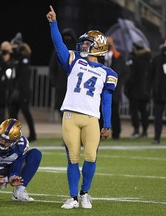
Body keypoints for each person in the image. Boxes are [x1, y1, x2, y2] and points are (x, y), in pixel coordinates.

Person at [46, 5, 117, 209]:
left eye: (88, 43)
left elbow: (106, 100)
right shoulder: (74, 60)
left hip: (91, 118)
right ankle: (72, 197)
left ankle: (85, 193)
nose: (83, 46)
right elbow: (59, 45)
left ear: (99, 46)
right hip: (70, 115)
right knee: (72, 157)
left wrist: (108, 124)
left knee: (91, 156)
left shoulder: (108, 72)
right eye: (84, 43)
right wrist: (53, 24)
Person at [8, 32, 37, 142]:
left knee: (26, 113)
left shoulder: (24, 58)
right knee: (12, 114)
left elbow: (23, 78)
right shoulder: (14, 58)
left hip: (22, 91)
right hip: (15, 91)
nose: (13, 47)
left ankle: (33, 134)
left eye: (14, 45)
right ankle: (12, 134)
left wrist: (19, 92)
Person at [103, 36, 128, 140]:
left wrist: (119, 84)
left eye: (110, 43)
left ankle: (116, 133)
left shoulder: (118, 57)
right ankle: (99, 132)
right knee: (100, 111)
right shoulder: (99, 56)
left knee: (114, 112)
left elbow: (125, 73)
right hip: (101, 89)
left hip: (114, 89)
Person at [125, 41, 152, 138]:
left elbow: (132, 76)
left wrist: (127, 88)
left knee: (135, 111)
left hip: (135, 90)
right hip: (146, 90)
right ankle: (145, 131)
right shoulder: (149, 59)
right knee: (144, 111)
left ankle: (136, 130)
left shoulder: (135, 60)